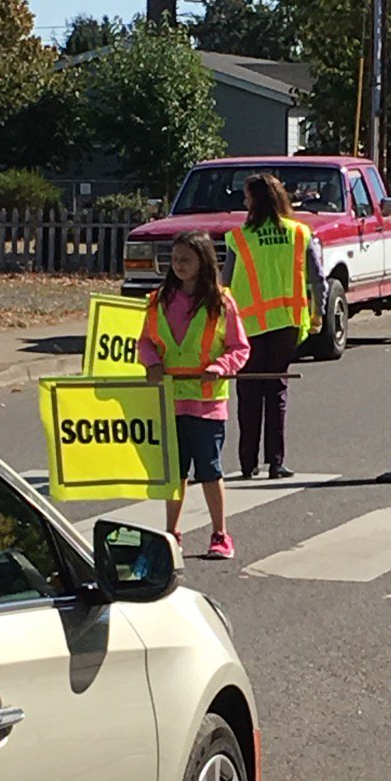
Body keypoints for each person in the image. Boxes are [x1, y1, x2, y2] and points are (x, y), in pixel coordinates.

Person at [138, 230, 250, 560]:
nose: (179, 266)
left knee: (210, 471)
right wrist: (152, 363)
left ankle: (220, 534)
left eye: (186, 259)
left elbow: (239, 347)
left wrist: (221, 366)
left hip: (206, 404)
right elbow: (145, 341)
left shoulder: (221, 301)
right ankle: (172, 532)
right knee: (174, 474)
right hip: (170, 400)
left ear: (202, 261)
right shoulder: (159, 300)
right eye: (174, 260)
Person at [222, 173, 328, 479]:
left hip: (249, 326)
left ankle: (247, 463)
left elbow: (225, 285)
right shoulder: (299, 233)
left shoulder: (239, 238)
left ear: (254, 201)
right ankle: (276, 462)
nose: (243, 201)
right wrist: (319, 313)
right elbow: (317, 278)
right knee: (277, 390)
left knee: (249, 392)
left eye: (246, 196)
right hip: (287, 323)